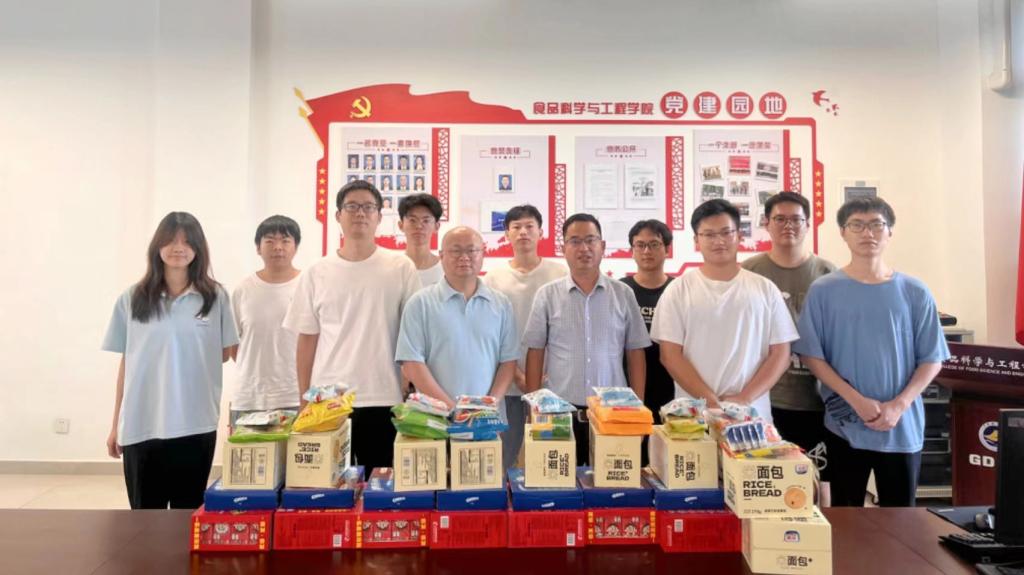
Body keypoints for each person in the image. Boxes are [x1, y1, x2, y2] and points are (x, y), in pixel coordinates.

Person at [793, 197, 949, 507]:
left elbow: (932, 359)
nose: (867, 233)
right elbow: (812, 355)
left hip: (901, 425)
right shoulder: (824, 290)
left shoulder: (915, 291)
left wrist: (899, 405)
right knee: (847, 515)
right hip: (845, 422)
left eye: (877, 224)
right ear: (843, 232)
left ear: (890, 231)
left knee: (901, 518)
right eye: (857, 225)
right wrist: (855, 399)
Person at [283, 180, 421, 475]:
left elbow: (413, 334)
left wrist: (409, 380)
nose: (360, 213)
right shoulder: (317, 272)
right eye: (352, 207)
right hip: (329, 399)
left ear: (379, 217)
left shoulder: (400, 267)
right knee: (329, 486)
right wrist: (303, 397)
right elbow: (307, 339)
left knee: (380, 485)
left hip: (384, 394)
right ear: (338, 215)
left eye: (368, 207)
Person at [103, 212, 238, 509]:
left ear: (198, 249)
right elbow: (128, 363)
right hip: (142, 424)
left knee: (186, 516)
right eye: (171, 240)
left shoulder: (216, 297)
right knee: (144, 519)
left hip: (195, 423)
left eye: (187, 242)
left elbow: (225, 353)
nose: (179, 248)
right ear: (157, 246)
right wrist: (116, 425)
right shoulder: (133, 298)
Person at [651, 199, 796, 423]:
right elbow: (670, 355)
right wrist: (710, 401)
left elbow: (781, 354)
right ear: (696, 240)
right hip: (693, 419)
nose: (719, 241)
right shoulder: (678, 290)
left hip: (751, 418)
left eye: (726, 232)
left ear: (739, 236)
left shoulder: (765, 289)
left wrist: (743, 399)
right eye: (709, 234)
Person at [523, 213, 650, 465]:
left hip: (614, 412)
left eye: (591, 240)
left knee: (610, 482)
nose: (584, 248)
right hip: (559, 413)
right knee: (559, 481)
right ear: (563, 248)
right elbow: (535, 352)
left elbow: (636, 352)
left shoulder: (623, 294)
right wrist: (533, 408)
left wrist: (638, 409)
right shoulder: (547, 295)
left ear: (602, 246)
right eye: (575, 241)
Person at [741, 192, 836, 484]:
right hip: (764, 398)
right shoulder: (749, 272)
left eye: (796, 219)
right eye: (779, 219)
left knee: (817, 483)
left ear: (808, 224)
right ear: (766, 224)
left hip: (816, 400)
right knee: (767, 483)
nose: (788, 226)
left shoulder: (827, 274)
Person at [483, 204, 568, 469]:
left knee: (548, 458)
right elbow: (490, 332)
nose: (523, 232)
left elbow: (565, 329)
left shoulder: (560, 273)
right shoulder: (493, 278)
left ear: (541, 232)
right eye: (516, 227)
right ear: (506, 235)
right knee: (504, 456)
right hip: (506, 380)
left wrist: (542, 375)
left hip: (550, 381)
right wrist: (517, 375)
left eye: (529, 226)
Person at [396, 227, 518, 407]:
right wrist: (453, 410)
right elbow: (412, 364)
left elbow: (508, 362)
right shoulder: (420, 303)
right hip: (435, 416)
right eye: (455, 251)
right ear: (441, 256)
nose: (464, 257)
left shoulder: (501, 304)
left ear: (483, 254)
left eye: (472, 250)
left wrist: (489, 406)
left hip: (487, 418)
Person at [230, 216, 303, 427]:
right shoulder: (243, 289)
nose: (278, 247)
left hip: (296, 396)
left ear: (296, 247)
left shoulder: (308, 285)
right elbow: (234, 345)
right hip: (249, 399)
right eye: (270, 241)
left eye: (285, 241)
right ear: (258, 248)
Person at [620, 220, 675, 420]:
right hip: (626, 385)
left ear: (667, 249)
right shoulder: (620, 290)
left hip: (671, 384)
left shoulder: (678, 290)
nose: (646, 251)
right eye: (640, 245)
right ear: (632, 251)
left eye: (654, 244)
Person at [397, 194, 443, 287]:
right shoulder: (392, 267)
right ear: (401, 225)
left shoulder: (446, 269)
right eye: (412, 220)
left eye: (426, 221)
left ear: (437, 226)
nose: (418, 226)